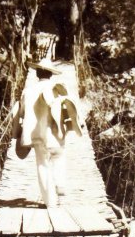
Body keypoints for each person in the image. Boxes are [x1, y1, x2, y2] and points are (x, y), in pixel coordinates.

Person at [12, 58, 83, 207]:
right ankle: (60, 184)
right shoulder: (58, 89)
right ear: (51, 75)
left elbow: (23, 111)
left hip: (37, 135)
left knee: (42, 165)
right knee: (59, 158)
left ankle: (50, 202)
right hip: (56, 134)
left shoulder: (28, 91)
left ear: (37, 73)